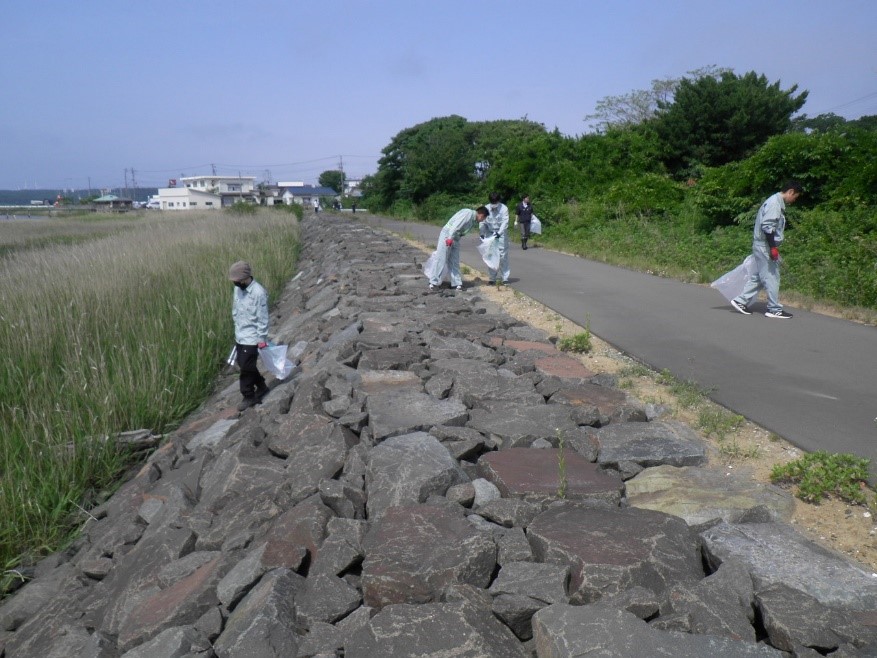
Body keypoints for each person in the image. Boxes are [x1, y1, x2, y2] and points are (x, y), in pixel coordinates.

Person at [731, 181, 803, 319]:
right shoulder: (774, 204)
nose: (794, 200)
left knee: (761, 276)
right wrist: (773, 247)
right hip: (764, 245)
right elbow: (767, 227)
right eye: (795, 197)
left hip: (763, 245)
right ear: (791, 192)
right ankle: (774, 309)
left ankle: (741, 301)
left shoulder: (774, 201)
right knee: (772, 276)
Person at [229, 260, 270, 411]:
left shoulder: (258, 293)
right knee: (244, 363)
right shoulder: (237, 289)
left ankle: (248, 396)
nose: (235, 283)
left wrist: (261, 339)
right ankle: (262, 386)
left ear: (245, 278)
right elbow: (236, 309)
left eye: (237, 280)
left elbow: (262, 317)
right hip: (240, 334)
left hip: (252, 337)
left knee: (246, 367)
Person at [428, 206, 489, 291]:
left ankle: (456, 284)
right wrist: (449, 238)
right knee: (441, 258)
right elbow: (456, 226)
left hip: (456, 238)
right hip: (448, 235)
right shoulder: (468, 214)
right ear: (481, 215)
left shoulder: (473, 219)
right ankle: (433, 283)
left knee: (454, 261)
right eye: (484, 218)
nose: (482, 220)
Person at [481, 192, 510, 284]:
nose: (494, 204)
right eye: (492, 202)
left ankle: (505, 278)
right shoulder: (486, 208)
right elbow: (482, 222)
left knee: (503, 256)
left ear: (498, 201)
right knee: (491, 256)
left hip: (501, 234)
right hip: (490, 233)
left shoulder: (504, 209)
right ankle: (492, 278)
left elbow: (505, 222)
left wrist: (499, 233)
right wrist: (482, 233)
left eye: (495, 202)